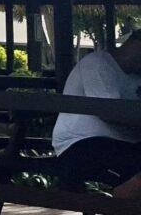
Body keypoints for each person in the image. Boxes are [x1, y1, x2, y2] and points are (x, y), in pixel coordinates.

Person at [53, 30, 141, 198]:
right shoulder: (97, 64)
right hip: (81, 144)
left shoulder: (137, 76)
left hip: (125, 144)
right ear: (136, 44)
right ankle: (115, 207)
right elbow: (109, 113)